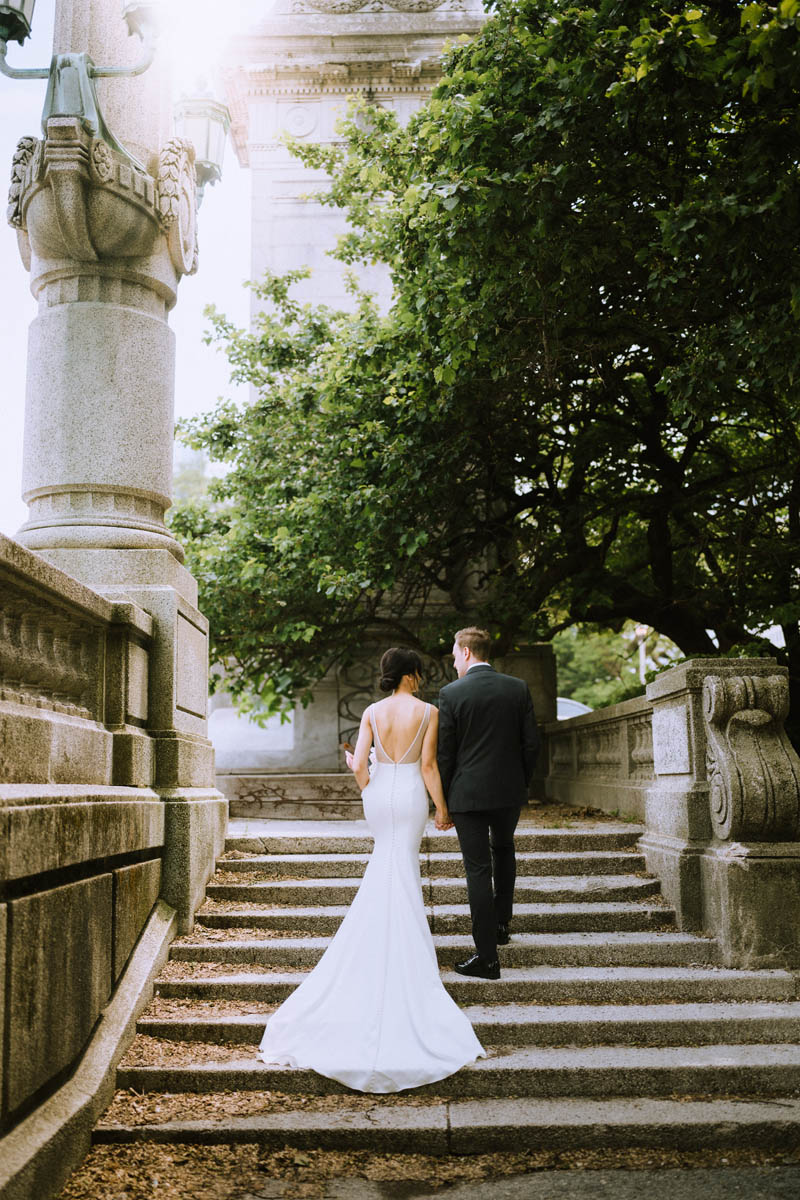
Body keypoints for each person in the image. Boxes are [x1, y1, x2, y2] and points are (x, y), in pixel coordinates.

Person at [257, 646, 485, 1092]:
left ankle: (376, 942)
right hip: (413, 796)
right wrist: (442, 809)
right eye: (418, 672)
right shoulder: (428, 712)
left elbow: (359, 764)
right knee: (404, 870)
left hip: (381, 795)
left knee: (386, 864)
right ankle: (402, 950)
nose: (419, 678)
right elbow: (428, 765)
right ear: (412, 675)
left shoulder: (372, 712)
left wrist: (368, 789)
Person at [437, 627, 540, 981]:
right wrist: (520, 783)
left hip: (467, 795)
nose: (453, 662)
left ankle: (487, 958)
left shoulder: (451, 694)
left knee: (477, 869)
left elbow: (445, 754)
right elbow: (531, 745)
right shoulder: (518, 688)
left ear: (466, 652)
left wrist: (444, 801)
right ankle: (500, 925)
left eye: (453, 655)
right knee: (505, 849)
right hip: (509, 791)